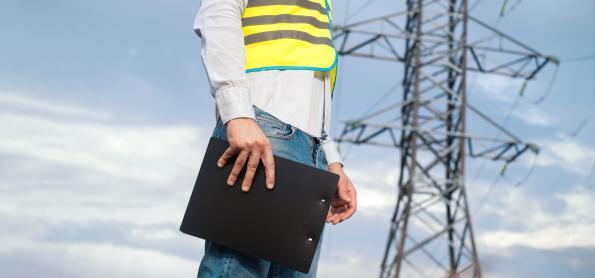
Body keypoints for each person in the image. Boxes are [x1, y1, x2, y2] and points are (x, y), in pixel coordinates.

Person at [193, 0, 357, 276]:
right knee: (235, 269)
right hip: (264, 128)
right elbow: (218, 12)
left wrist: (331, 160)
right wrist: (237, 113)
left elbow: (311, 79)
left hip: (310, 149)